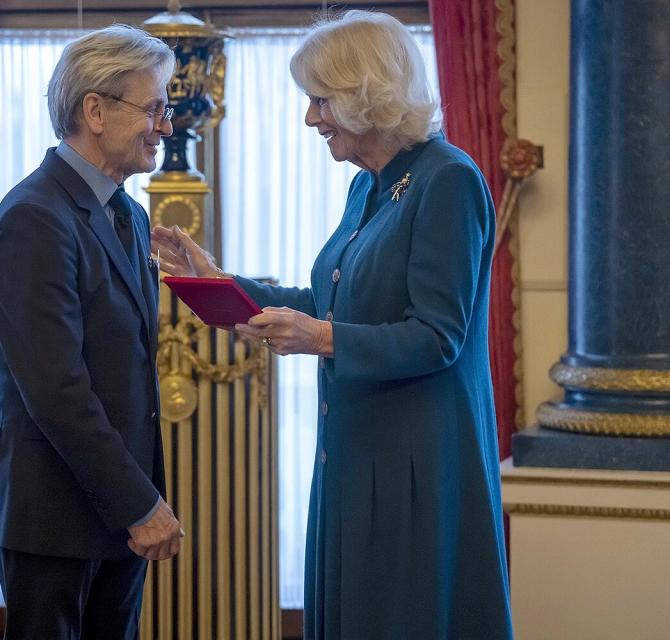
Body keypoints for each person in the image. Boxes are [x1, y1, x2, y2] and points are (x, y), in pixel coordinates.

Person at [153, 10, 512, 640]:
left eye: (321, 100)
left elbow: (437, 336)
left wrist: (319, 340)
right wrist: (220, 281)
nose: (312, 118)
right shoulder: (370, 186)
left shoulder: (448, 179)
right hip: (352, 451)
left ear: (365, 94)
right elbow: (330, 299)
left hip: (415, 463)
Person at [0, 25, 183, 639]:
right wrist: (139, 503)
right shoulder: (32, 219)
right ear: (95, 110)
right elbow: (57, 392)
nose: (165, 127)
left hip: (114, 513)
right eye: (155, 108)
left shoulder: (127, 213)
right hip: (52, 520)